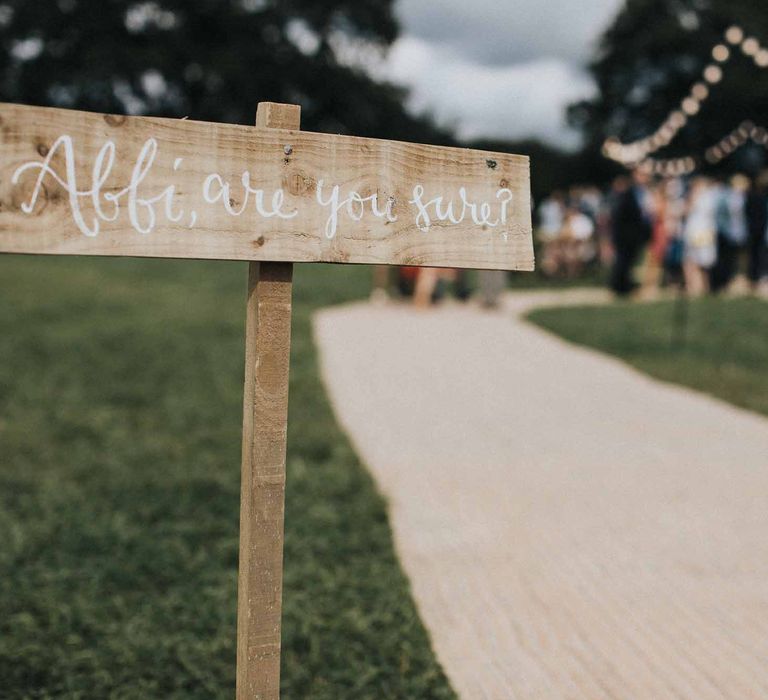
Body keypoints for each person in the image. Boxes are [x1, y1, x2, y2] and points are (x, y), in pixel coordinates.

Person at [610, 169, 653, 295]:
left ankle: (625, 285)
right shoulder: (628, 193)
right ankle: (620, 287)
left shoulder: (644, 193)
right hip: (625, 235)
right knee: (623, 261)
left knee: (629, 261)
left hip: (636, 234)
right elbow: (621, 216)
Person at [711, 174, 749, 293]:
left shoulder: (744, 198)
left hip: (740, 233)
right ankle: (724, 283)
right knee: (726, 260)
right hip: (726, 233)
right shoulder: (725, 197)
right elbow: (720, 216)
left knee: (739, 260)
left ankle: (737, 281)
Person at [682, 177, 718, 296]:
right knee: (696, 260)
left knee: (698, 260)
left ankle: (699, 286)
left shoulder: (706, 197)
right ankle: (697, 286)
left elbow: (687, 211)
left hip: (700, 232)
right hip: (698, 231)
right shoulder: (708, 197)